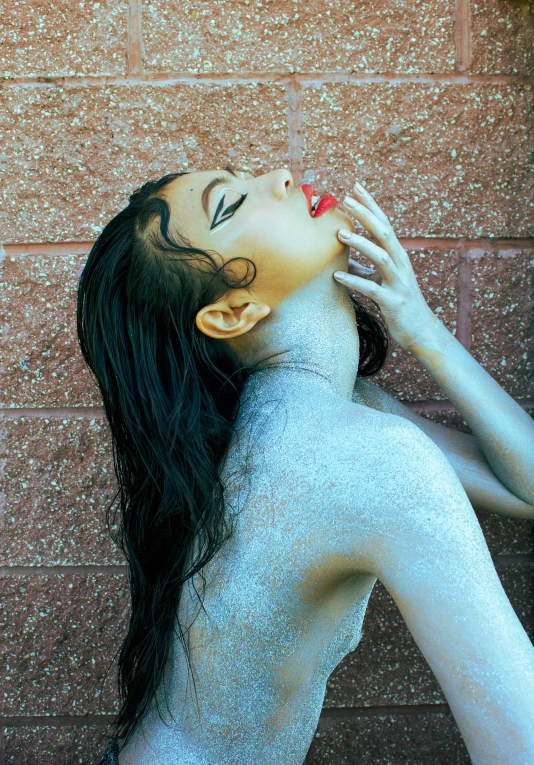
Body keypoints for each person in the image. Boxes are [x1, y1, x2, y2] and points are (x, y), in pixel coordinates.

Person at [77, 165, 534, 765]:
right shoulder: (359, 456)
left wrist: (424, 331)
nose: (283, 177)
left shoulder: (318, 416)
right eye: (232, 204)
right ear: (233, 313)